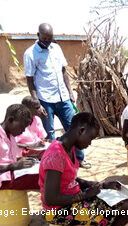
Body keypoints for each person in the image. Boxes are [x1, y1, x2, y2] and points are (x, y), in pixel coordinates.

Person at [39, 112, 128, 225]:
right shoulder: (56, 155)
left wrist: (101, 185)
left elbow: (70, 179)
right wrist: (84, 196)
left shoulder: (69, 148)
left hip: (72, 200)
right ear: (81, 130)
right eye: (91, 138)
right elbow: (50, 199)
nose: (90, 143)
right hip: (58, 210)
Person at [23, 23, 89, 168]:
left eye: (50, 38)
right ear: (38, 35)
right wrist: (36, 102)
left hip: (63, 97)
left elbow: (63, 71)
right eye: (44, 38)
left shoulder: (57, 48)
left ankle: (79, 159)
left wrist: (70, 92)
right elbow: (29, 79)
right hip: (45, 99)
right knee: (50, 134)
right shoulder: (30, 53)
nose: (47, 41)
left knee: (75, 128)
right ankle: (54, 163)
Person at [0, 104, 39, 190]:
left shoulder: (12, 136)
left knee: (44, 172)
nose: (23, 131)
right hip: (3, 180)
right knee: (45, 178)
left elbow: (7, 158)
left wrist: (24, 160)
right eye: (22, 127)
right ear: (10, 120)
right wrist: (12, 166)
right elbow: (10, 164)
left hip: (13, 174)